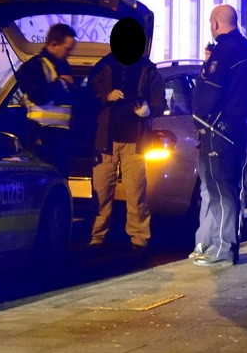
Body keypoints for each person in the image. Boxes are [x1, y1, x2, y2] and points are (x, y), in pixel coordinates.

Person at [190, 4, 247, 267]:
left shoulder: (223, 51)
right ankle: (215, 245)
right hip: (240, 128)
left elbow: (207, 92)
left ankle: (223, 249)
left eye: (211, 23)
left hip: (218, 130)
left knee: (221, 191)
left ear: (216, 24)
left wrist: (200, 120)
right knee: (226, 189)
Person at [86, 17, 167, 254]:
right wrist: (106, 97)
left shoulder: (148, 69)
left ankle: (139, 238)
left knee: (136, 193)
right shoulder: (103, 67)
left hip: (135, 141)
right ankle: (96, 237)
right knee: (101, 192)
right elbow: (88, 97)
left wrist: (148, 111)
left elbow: (159, 101)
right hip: (106, 141)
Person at [14, 22, 78, 176]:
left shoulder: (62, 66)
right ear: (54, 45)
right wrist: (61, 83)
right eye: (67, 49)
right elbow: (38, 96)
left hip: (60, 138)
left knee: (59, 182)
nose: (70, 53)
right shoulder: (36, 66)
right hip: (41, 136)